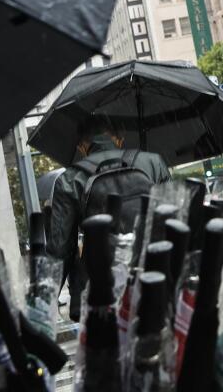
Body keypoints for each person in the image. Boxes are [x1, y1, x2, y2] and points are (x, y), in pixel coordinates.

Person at [47, 116, 170, 321]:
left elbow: (60, 250)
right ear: (119, 140)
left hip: (102, 290)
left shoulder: (69, 181)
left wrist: (44, 303)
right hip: (155, 275)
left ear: (82, 147)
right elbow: (173, 221)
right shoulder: (153, 163)